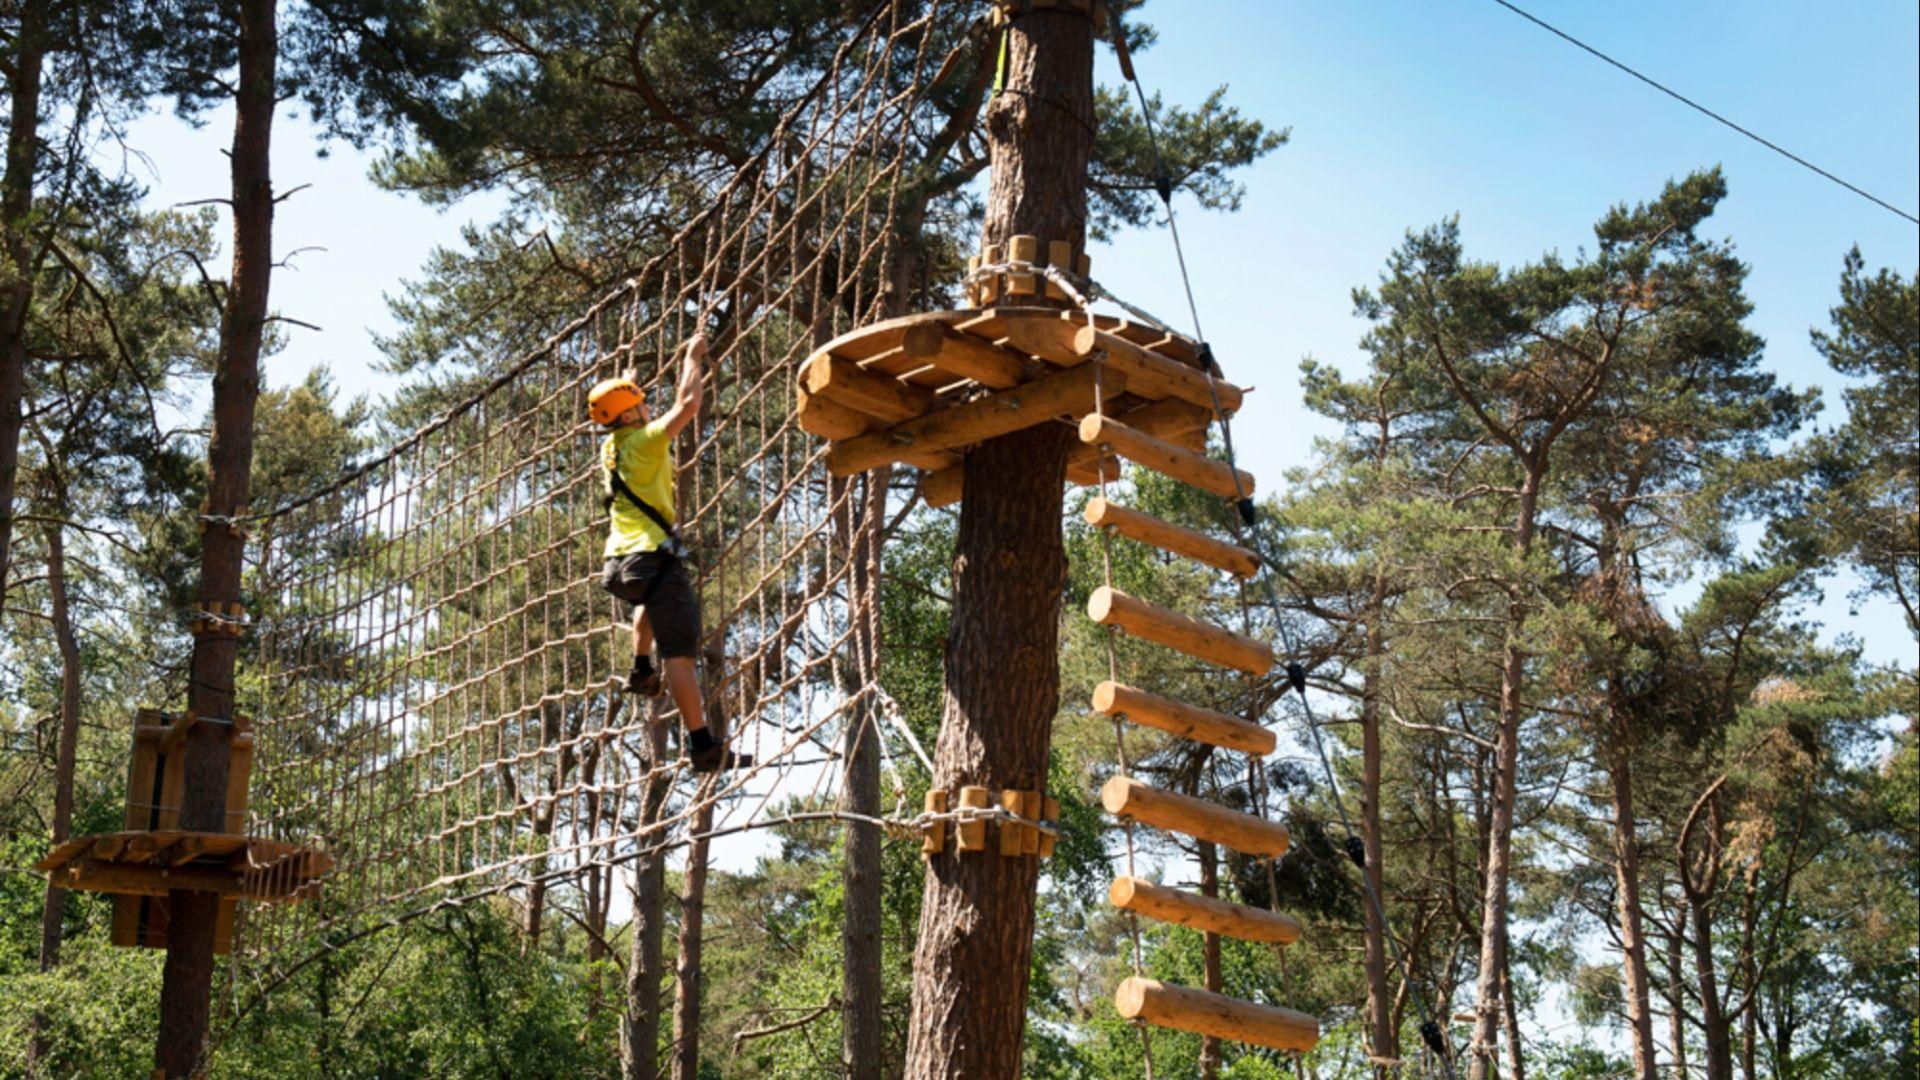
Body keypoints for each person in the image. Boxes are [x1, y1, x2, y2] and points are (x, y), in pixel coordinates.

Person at [588, 334, 751, 773]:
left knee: (650, 606)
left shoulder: (611, 448)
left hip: (620, 564)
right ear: (629, 414)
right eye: (639, 404)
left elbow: (626, 412)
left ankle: (641, 668)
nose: (647, 407)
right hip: (653, 557)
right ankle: (703, 746)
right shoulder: (646, 441)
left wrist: (627, 382)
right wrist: (691, 358)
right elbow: (688, 404)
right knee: (680, 654)